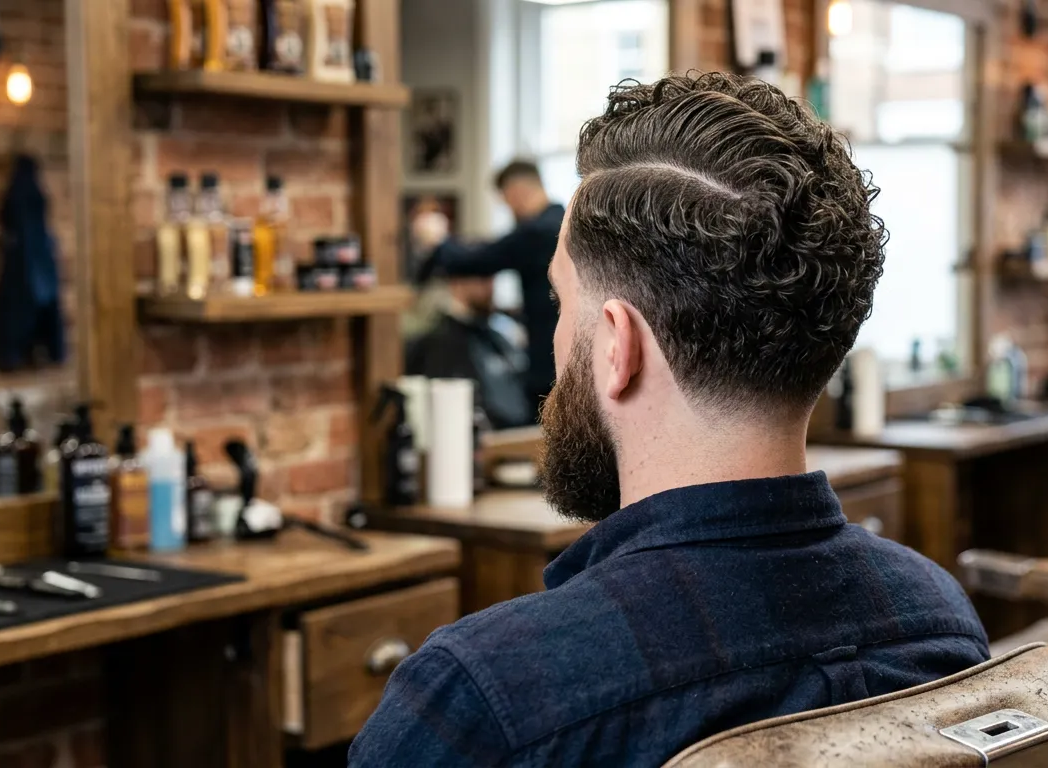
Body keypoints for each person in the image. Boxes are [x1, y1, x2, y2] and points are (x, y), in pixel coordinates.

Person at [350, 73, 989, 767]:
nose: (559, 339)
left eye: (563, 304)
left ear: (617, 345)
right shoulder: (940, 623)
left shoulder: (484, 702)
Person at [413, 160, 562, 412]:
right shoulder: (562, 223)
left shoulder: (539, 231)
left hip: (550, 362)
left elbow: (478, 260)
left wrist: (436, 241)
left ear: (515, 192)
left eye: (506, 201)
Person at [404, 272, 534, 430]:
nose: (490, 286)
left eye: (492, 277)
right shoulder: (440, 345)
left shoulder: (498, 335)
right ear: (456, 284)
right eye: (481, 277)